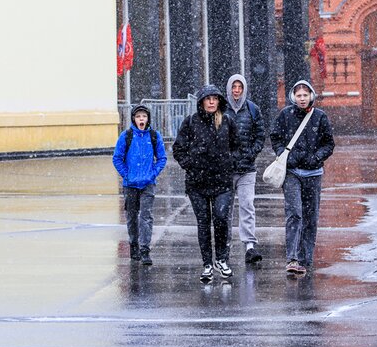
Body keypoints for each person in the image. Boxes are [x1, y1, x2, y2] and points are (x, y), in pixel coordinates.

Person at [172, 85, 240, 282]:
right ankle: (207, 264)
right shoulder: (191, 122)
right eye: (208, 98)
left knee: (220, 218)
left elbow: (237, 146)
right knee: (203, 223)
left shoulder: (227, 121)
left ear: (219, 101)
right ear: (201, 101)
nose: (211, 102)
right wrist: (190, 165)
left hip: (222, 181)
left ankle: (222, 259)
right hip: (198, 182)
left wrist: (230, 162)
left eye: (215, 98)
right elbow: (179, 148)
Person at [269, 80, 334, 275]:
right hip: (292, 173)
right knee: (294, 213)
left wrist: (316, 157)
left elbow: (329, 144)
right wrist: (285, 155)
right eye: (299, 95)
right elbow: (275, 136)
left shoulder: (320, 117)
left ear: (311, 96)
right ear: (293, 97)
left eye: (306, 95)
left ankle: (306, 258)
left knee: (310, 216)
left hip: (313, 173)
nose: (302, 98)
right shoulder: (285, 115)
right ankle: (292, 258)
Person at [112, 104, 167, 266]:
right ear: (134, 119)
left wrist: (153, 173)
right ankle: (134, 245)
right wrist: (126, 174)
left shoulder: (154, 136)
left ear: (148, 118)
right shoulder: (126, 136)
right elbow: (117, 158)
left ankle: (145, 249)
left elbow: (162, 158)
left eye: (144, 116)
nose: (141, 119)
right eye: (138, 116)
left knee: (146, 216)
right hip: (130, 184)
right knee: (131, 217)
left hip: (148, 184)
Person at [224, 74, 266, 264]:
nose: (237, 90)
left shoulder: (252, 109)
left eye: (240, 87)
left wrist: (252, 152)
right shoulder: (221, 109)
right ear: (229, 88)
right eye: (234, 87)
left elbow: (260, 135)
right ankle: (224, 244)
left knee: (247, 205)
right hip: (225, 169)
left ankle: (249, 245)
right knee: (224, 209)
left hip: (247, 168)